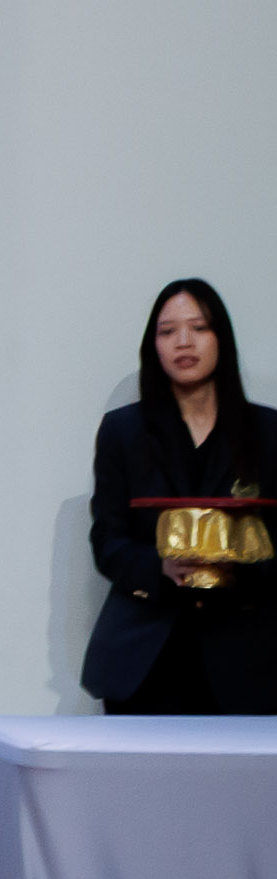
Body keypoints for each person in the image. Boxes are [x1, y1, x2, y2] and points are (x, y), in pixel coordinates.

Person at [83, 277, 277, 714]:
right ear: (153, 345)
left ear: (221, 338)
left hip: (250, 658)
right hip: (146, 658)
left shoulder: (269, 433)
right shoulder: (122, 431)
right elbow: (107, 542)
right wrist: (159, 568)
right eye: (167, 331)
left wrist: (241, 566)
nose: (183, 342)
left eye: (199, 327)